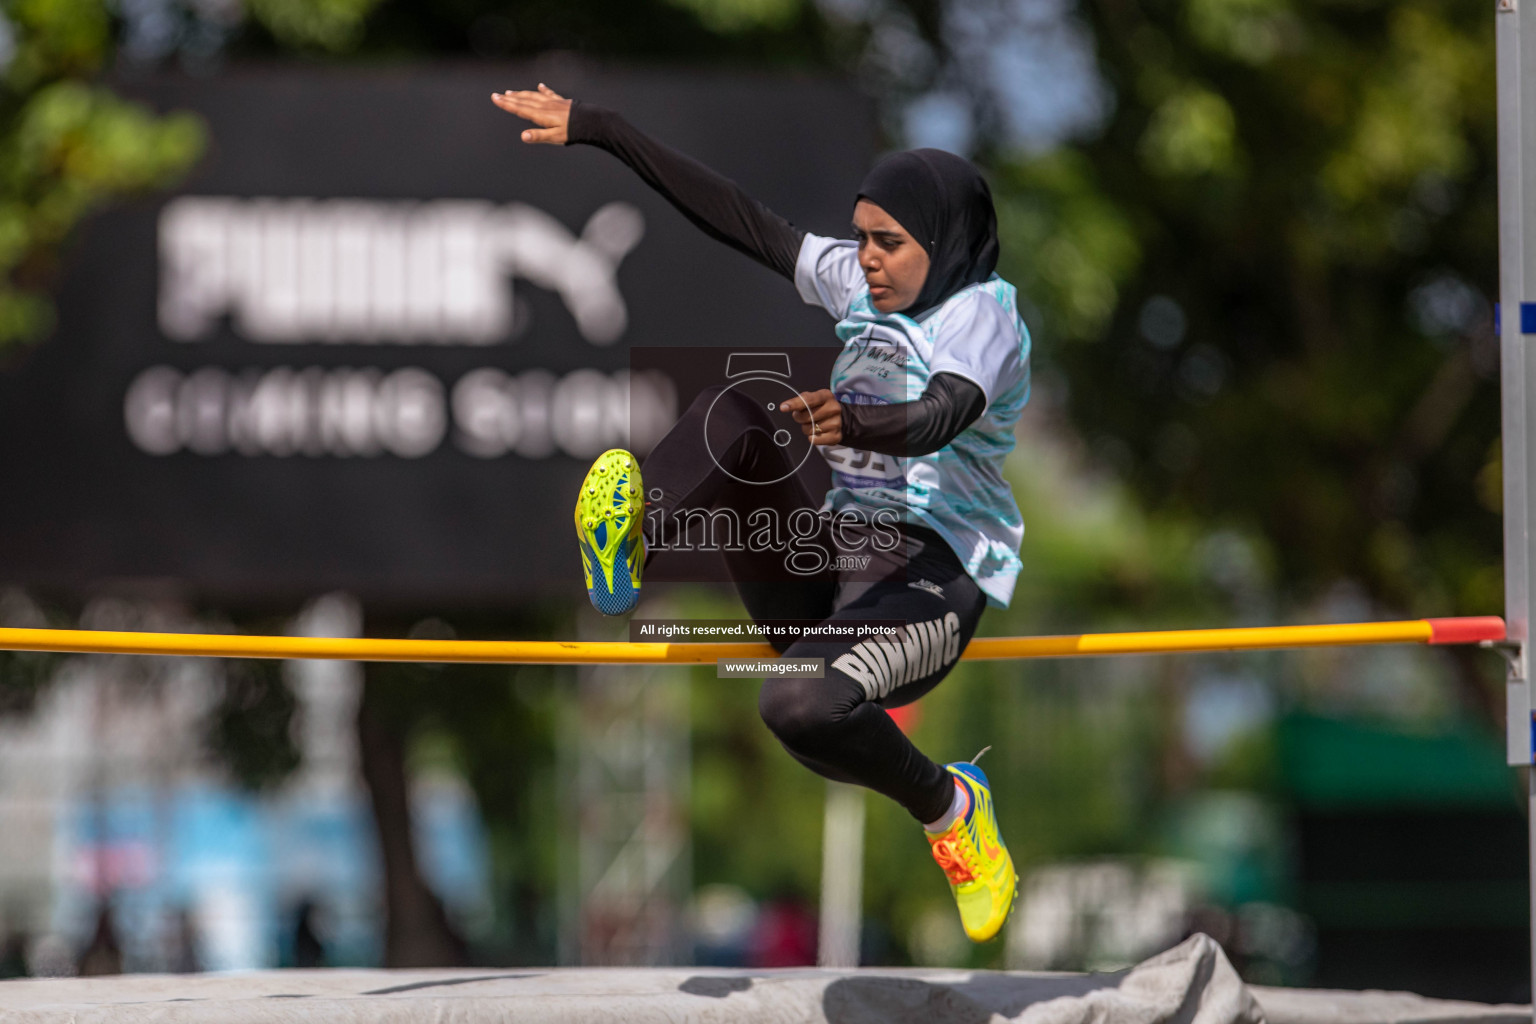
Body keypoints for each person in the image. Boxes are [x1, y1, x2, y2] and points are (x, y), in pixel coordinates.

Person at [493, 85, 1030, 944]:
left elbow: (940, 415)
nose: (867, 261)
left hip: (930, 577)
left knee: (795, 708)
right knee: (737, 413)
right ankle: (631, 543)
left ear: (944, 243)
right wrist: (603, 129)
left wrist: (854, 421)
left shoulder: (982, 315)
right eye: (859, 240)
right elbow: (736, 216)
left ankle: (952, 808)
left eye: (889, 244)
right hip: (831, 564)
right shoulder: (858, 282)